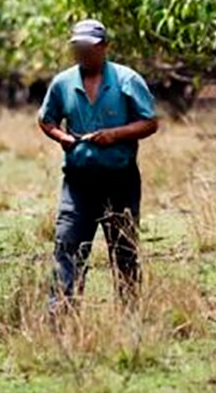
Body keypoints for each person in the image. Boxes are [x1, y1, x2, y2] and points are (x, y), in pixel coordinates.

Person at [38, 19, 158, 312]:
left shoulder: (127, 80)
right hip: (78, 182)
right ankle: (61, 316)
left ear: (104, 47)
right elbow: (45, 119)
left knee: (125, 250)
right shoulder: (63, 83)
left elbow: (150, 122)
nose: (83, 54)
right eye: (78, 48)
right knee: (68, 247)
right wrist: (63, 138)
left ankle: (131, 316)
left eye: (89, 48)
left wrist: (114, 135)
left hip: (121, 180)